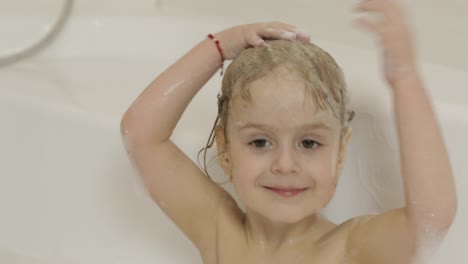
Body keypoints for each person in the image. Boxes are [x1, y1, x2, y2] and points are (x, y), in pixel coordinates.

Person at [120, 0, 457, 263]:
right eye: (260, 141)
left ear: (340, 154)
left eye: (309, 143)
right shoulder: (219, 231)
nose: (285, 164)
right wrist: (220, 45)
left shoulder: (349, 249)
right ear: (225, 149)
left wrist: (405, 77)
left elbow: (430, 219)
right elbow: (140, 134)